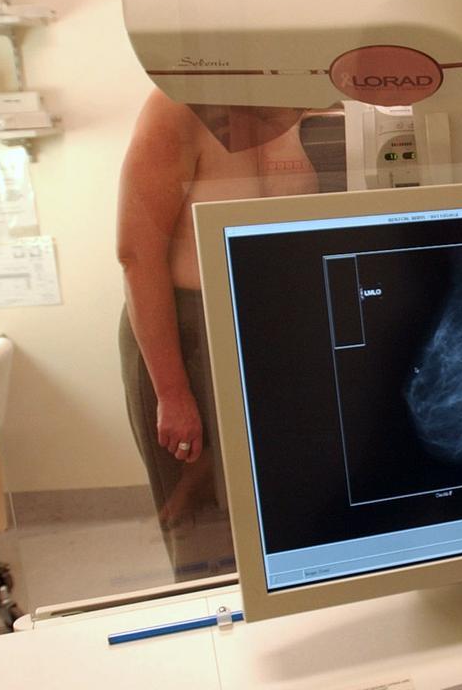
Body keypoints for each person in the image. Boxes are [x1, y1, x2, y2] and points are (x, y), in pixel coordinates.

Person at [117, 89, 318, 581]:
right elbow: (136, 254)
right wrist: (172, 392)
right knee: (205, 536)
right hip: (189, 333)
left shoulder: (318, 96)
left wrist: (458, 110)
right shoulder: (177, 105)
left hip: (279, 325)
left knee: (291, 516)